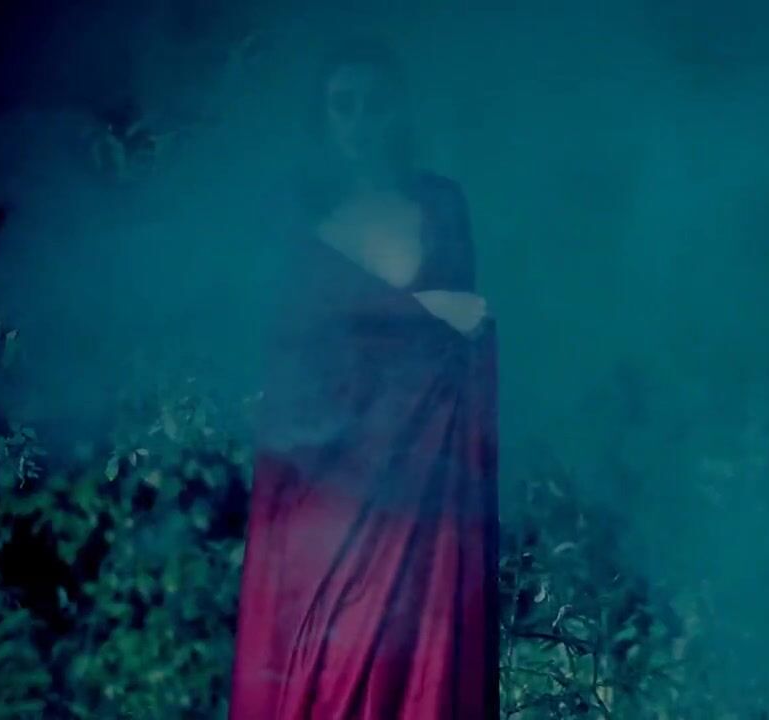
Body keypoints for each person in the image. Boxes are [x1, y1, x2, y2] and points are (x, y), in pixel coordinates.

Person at [229, 39, 499, 719]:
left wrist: (437, 319)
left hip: (418, 478)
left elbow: (461, 342)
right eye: (342, 105)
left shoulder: (440, 203)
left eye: (374, 103)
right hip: (326, 480)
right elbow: (295, 346)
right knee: (325, 657)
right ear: (322, 117)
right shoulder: (300, 219)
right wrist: (425, 309)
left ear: (399, 110)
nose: (359, 121)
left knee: (411, 654)